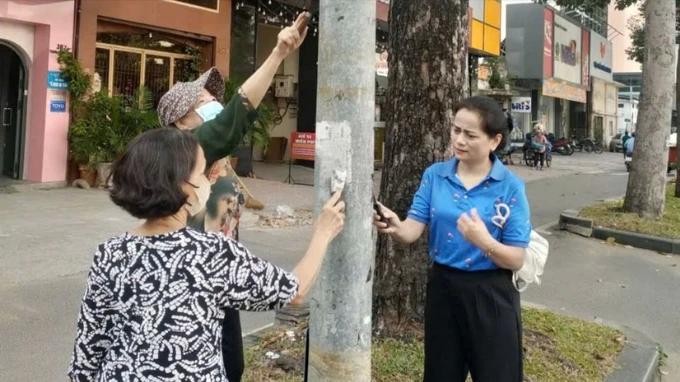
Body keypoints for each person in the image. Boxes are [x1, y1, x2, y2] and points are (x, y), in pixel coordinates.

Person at [68, 128, 344, 381]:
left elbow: (88, 353)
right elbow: (292, 291)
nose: (211, 179)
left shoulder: (111, 253)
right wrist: (322, 233)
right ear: (182, 186)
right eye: (202, 172)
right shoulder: (211, 253)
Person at [155, 13, 309, 381]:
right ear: (181, 120)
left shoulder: (211, 157)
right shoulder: (190, 147)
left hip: (215, 282)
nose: (213, 102)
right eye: (205, 100)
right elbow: (241, 110)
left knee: (229, 366)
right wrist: (277, 54)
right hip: (194, 286)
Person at [373, 96, 531, 382]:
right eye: (456, 130)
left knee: (498, 375)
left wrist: (483, 241)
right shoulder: (435, 176)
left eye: (470, 135)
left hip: (491, 293)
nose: (459, 140)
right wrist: (395, 226)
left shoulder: (510, 188)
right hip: (444, 289)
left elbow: (517, 258)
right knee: (441, 374)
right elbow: (412, 230)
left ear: (494, 141)